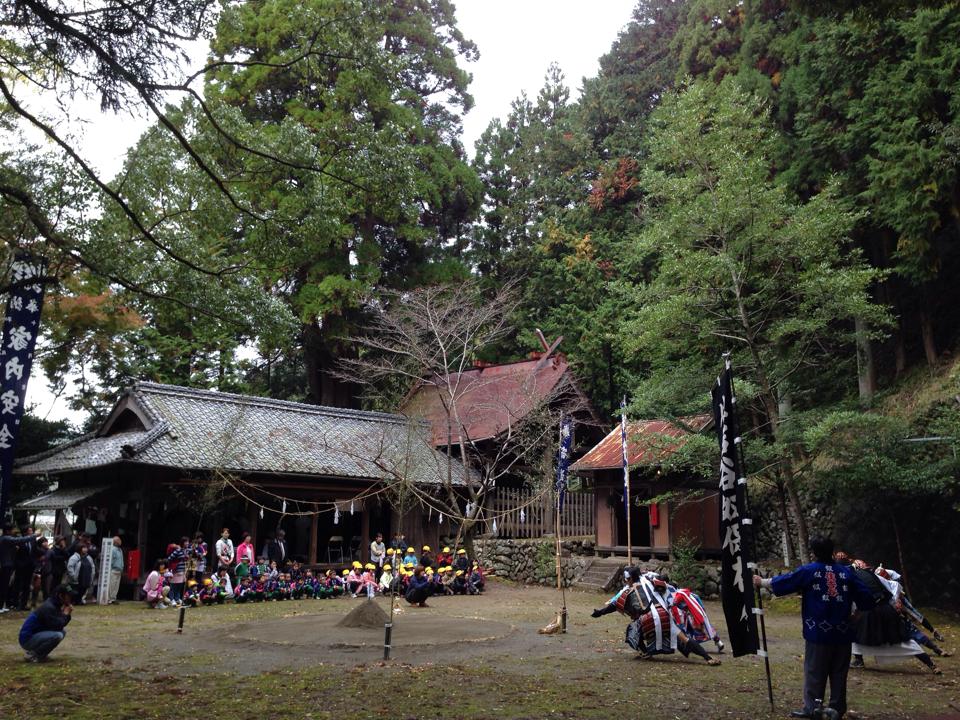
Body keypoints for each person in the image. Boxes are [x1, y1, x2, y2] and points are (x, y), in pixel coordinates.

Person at [754, 536, 876, 719]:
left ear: (814, 552)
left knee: (814, 671)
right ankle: (836, 708)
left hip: (818, 633)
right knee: (839, 673)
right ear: (833, 552)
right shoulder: (846, 573)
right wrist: (856, 614)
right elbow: (867, 598)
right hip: (842, 633)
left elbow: (788, 581)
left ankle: (813, 708)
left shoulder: (809, 571)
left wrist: (761, 582)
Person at [19, 584, 72, 662]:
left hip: (36, 634)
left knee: (62, 632)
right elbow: (57, 625)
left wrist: (66, 615)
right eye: (68, 596)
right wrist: (65, 614)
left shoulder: (55, 604)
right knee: (58, 635)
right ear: (61, 596)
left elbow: (59, 625)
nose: (70, 598)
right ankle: (32, 654)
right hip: (27, 639)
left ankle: (41, 655)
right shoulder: (49, 607)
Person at [0, 525, 36, 612]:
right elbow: (18, 540)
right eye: (12, 530)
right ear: (8, 531)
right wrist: (34, 535)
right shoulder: (5, 538)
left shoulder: (7, 539)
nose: (14, 532)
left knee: (5, 586)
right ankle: (5, 605)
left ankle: (2, 606)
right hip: (7, 565)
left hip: (19, 566)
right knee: (4, 585)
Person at [107, 536, 124, 604]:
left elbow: (122, 560)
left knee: (116, 585)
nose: (120, 541)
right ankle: (109, 599)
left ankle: (113, 598)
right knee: (112, 584)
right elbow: (111, 560)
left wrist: (122, 567)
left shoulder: (120, 550)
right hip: (113, 569)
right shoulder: (113, 549)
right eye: (118, 540)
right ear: (115, 541)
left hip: (119, 570)